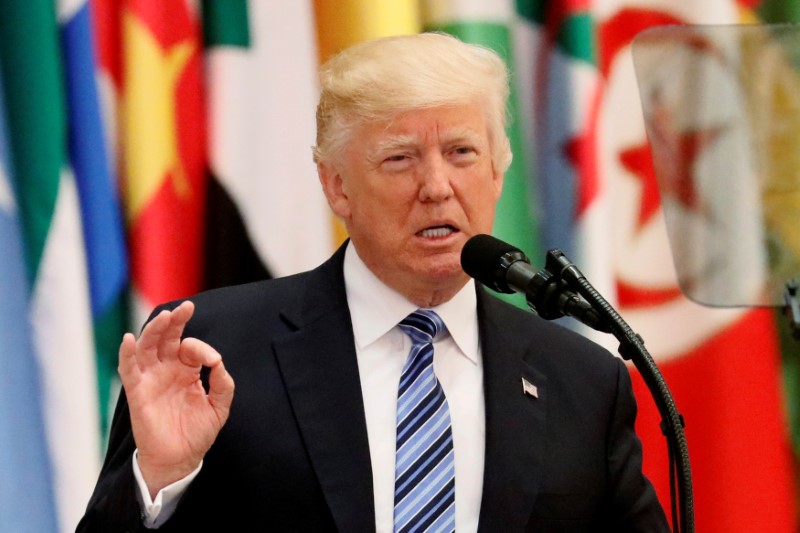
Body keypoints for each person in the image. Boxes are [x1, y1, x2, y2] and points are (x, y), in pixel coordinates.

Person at [77, 32, 669, 532]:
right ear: (336, 186)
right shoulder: (212, 349)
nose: (437, 186)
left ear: (497, 171)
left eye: (461, 152)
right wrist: (157, 481)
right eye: (400, 158)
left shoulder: (582, 381)